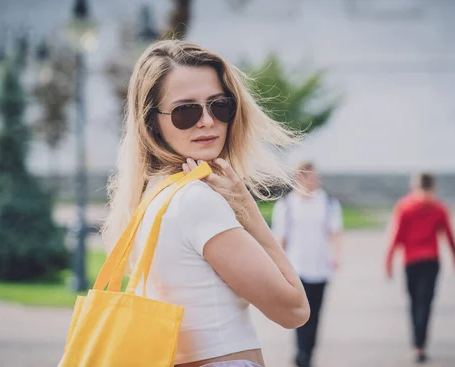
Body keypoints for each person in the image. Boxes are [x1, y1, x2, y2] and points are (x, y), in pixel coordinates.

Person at [101, 40, 310, 367]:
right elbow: (294, 310)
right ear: (152, 121)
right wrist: (249, 213)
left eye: (220, 105)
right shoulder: (196, 201)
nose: (207, 121)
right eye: (186, 111)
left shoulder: (152, 196)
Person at [271, 161, 343, 367]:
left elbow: (335, 233)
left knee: (315, 315)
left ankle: (308, 353)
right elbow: (280, 240)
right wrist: (279, 267)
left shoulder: (328, 202)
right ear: (299, 179)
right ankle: (302, 353)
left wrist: (337, 255)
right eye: (310, 177)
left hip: (320, 268)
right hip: (297, 268)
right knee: (301, 313)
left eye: (315, 177)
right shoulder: (286, 205)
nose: (314, 180)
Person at [385, 173, 455, 364]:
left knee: (414, 303)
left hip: (411, 262)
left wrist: (389, 261)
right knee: (425, 304)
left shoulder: (405, 206)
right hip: (431, 261)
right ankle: (422, 345)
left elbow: (396, 236)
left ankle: (416, 345)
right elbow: (449, 235)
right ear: (433, 186)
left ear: (414, 185)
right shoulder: (439, 207)